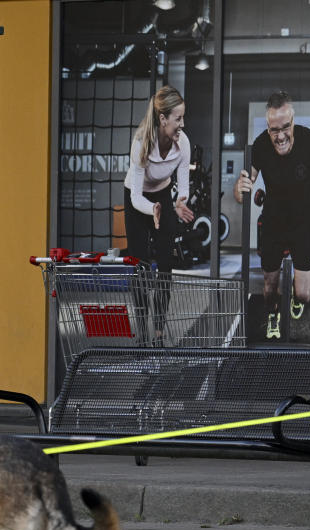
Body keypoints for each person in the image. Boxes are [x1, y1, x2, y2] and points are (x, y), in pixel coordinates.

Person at [233, 90, 310, 340]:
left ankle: (296, 299)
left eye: (286, 127)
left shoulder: (309, 140)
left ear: (293, 122)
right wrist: (241, 188)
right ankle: (273, 312)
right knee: (269, 287)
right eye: (274, 129)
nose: (281, 135)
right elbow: (242, 189)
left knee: (305, 295)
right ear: (267, 127)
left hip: (302, 223)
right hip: (273, 223)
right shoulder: (262, 145)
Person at [123, 85, 196, 344]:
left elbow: (183, 185)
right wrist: (150, 209)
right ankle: (142, 332)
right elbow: (135, 197)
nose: (182, 124)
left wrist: (179, 203)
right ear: (163, 119)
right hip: (137, 199)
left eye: (183, 117)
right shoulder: (142, 142)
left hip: (163, 196)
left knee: (165, 265)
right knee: (141, 266)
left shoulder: (183, 142)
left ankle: (158, 332)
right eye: (178, 118)